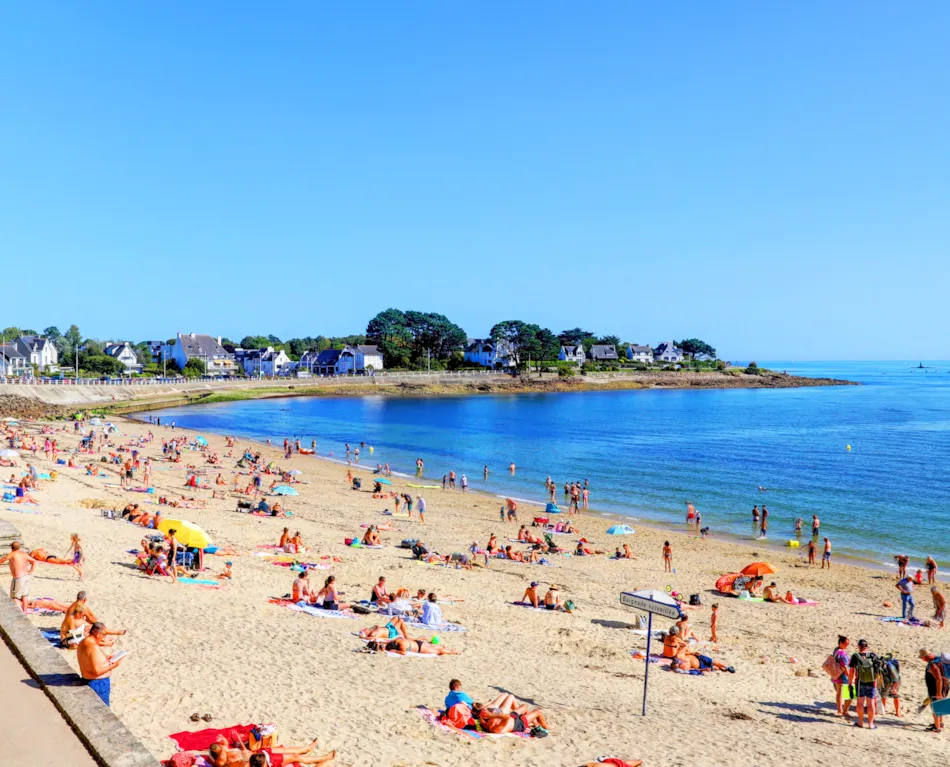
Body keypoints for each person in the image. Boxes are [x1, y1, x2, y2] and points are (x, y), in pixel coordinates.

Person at [77, 623, 126, 706]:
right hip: (97, 683)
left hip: (93, 681)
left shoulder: (85, 641)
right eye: (104, 635)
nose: (104, 637)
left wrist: (106, 658)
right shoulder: (92, 647)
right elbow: (97, 672)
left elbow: (91, 659)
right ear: (98, 634)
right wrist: (114, 665)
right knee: (102, 707)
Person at [472, 693, 548, 735]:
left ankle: (535, 723)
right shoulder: (496, 729)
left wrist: (488, 716)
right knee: (537, 712)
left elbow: (481, 720)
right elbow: (507, 717)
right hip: (519, 723)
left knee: (524, 707)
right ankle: (546, 726)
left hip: (513, 717)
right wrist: (491, 715)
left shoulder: (485, 723)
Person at [848, 639, 879, 729]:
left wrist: (850, 683)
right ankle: (871, 724)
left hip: (859, 682)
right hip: (872, 682)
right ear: (867, 646)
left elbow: (851, 671)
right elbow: (877, 670)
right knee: (871, 703)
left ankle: (860, 722)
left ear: (858, 646)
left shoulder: (855, 656)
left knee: (860, 702)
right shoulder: (873, 655)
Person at [0, 542, 36, 612]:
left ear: (12, 548)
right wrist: (31, 571)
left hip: (18, 578)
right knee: (24, 595)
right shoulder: (23, 554)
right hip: (26, 576)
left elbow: (1, 561)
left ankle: (19, 612)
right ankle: (25, 612)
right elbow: (34, 561)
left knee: (14, 597)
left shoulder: (12, 554)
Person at [921, 648, 948, 732]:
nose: (922, 659)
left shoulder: (933, 664)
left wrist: (938, 693)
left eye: (922, 657)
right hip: (945, 686)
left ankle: (937, 728)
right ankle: (940, 723)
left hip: (937, 688)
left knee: (935, 706)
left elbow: (938, 679)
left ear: (926, 657)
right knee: (941, 705)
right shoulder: (939, 659)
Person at [830, 635, 853, 717]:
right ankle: (845, 711)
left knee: (839, 693)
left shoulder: (836, 650)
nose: (847, 645)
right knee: (849, 694)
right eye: (846, 643)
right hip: (843, 676)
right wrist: (850, 677)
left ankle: (840, 710)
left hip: (836, 674)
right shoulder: (842, 653)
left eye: (848, 643)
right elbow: (845, 667)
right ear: (841, 643)